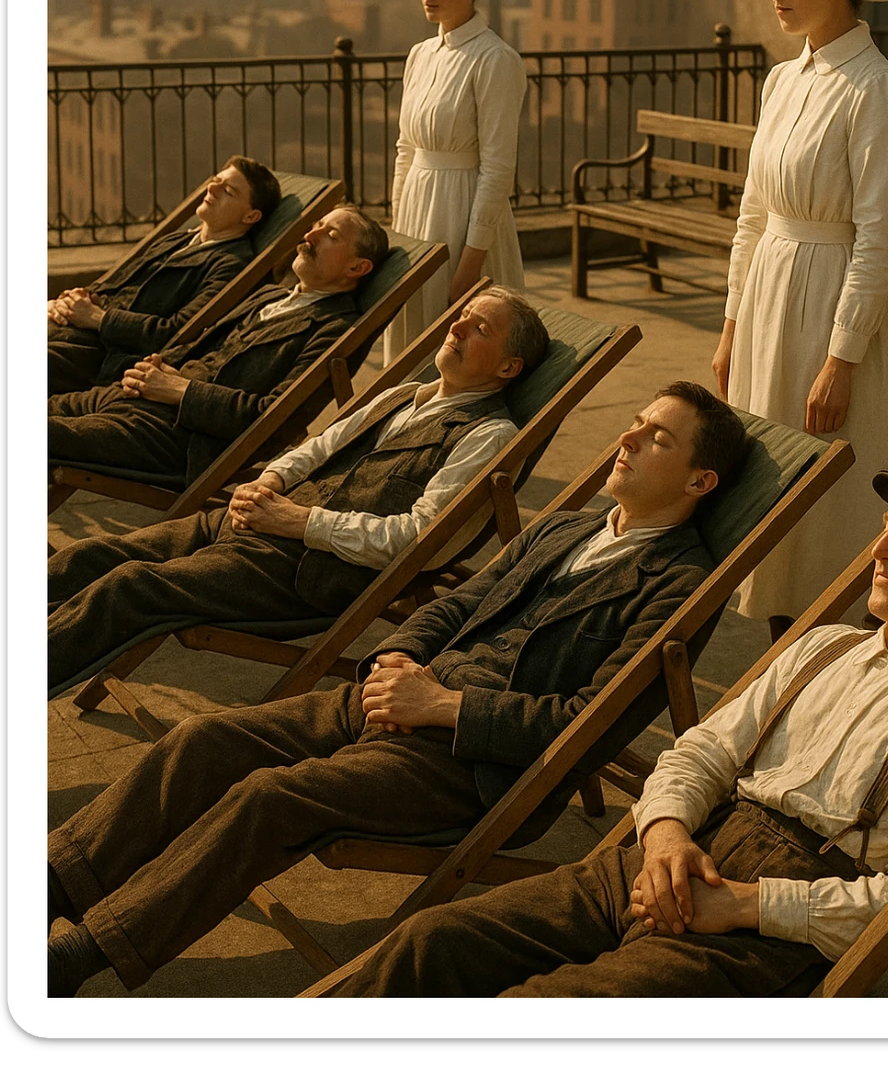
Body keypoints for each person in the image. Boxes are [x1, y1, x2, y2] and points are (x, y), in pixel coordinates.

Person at [46, 382, 750, 996]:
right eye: (635, 420)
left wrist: (446, 707)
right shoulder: (566, 528)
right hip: (397, 693)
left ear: (699, 482)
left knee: (269, 796)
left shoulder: (679, 586)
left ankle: (81, 954)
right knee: (205, 738)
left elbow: (587, 721)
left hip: (464, 760)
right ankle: (57, 880)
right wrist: (396, 658)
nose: (626, 437)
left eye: (656, 437)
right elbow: (453, 604)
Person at [330, 459, 888, 999]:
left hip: (767, 931)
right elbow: (702, 751)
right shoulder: (825, 648)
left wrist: (747, 905)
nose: (879, 549)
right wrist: (665, 834)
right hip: (672, 856)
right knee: (430, 943)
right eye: (886, 527)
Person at [47, 288, 549, 695]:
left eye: (480, 328)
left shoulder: (488, 436)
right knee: (95, 555)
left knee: (130, 586)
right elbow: (316, 447)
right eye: (461, 316)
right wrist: (268, 481)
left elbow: (417, 536)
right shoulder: (402, 396)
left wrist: (298, 522)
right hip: (261, 520)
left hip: (306, 568)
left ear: (508, 368)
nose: (456, 327)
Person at [711, 0, 888, 638]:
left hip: (835, 309)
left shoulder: (881, 92)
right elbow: (754, 212)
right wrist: (733, 323)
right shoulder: (781, 81)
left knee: (834, 500)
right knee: (775, 497)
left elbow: (881, 241)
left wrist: (842, 358)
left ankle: (844, 664)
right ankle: (781, 663)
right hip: (771, 300)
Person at [48, 205, 389, 487]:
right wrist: (156, 368)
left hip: (177, 436)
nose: (310, 235)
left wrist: (180, 389)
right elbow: (195, 344)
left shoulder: (333, 330)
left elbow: (270, 416)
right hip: (131, 397)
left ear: (356, 267)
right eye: (316, 225)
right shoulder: (269, 295)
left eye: (330, 236)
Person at [383, 0, 527, 365]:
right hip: (417, 214)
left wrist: (468, 265)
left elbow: (498, 168)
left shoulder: (496, 60)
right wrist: (398, 225)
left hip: (462, 214)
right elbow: (406, 148)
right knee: (411, 340)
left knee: (459, 348)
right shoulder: (420, 55)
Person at [47, 157, 282, 395]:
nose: (212, 188)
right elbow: (116, 283)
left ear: (251, 216)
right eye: (216, 181)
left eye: (228, 191)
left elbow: (175, 331)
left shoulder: (230, 265)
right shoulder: (178, 240)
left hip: (102, 354)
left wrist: (97, 318)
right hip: (75, 330)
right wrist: (73, 300)